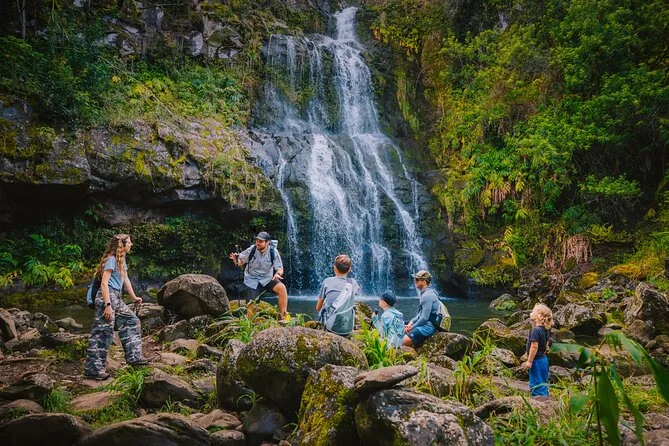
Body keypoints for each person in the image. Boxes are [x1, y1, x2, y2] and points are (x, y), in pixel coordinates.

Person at [84, 234, 148, 380]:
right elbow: (104, 283)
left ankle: (134, 358)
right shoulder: (111, 260)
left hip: (116, 298)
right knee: (103, 333)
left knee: (132, 321)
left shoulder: (121, 260)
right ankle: (93, 370)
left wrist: (134, 297)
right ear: (122, 244)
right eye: (129, 242)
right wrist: (107, 305)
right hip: (106, 298)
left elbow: (125, 279)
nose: (131, 244)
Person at [229, 232, 289, 321]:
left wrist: (278, 274)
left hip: (267, 278)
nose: (258, 243)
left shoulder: (273, 251)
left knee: (282, 288)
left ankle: (283, 317)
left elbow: (280, 268)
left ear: (267, 242)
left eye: (261, 241)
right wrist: (236, 260)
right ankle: (250, 323)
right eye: (257, 241)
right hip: (252, 280)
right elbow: (240, 262)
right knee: (251, 305)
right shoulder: (252, 249)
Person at [316, 254, 360, 336]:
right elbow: (356, 292)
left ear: (334, 268)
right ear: (349, 269)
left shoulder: (327, 281)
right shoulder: (353, 283)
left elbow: (318, 307)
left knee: (324, 306)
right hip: (347, 327)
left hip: (330, 326)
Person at [521, 303, 553, 396]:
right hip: (543, 359)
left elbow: (534, 347)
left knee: (536, 384)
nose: (531, 312)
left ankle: (538, 401)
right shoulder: (546, 329)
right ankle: (545, 397)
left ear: (539, 315)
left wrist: (529, 361)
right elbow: (547, 344)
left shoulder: (535, 330)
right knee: (543, 381)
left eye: (533, 311)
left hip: (536, 361)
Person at [403, 270, 439, 347]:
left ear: (424, 282)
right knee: (401, 323)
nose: (415, 281)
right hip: (425, 323)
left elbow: (424, 318)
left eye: (417, 280)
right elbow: (421, 313)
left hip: (427, 327)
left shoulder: (427, 296)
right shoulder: (427, 292)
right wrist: (411, 322)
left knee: (401, 343)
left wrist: (411, 327)